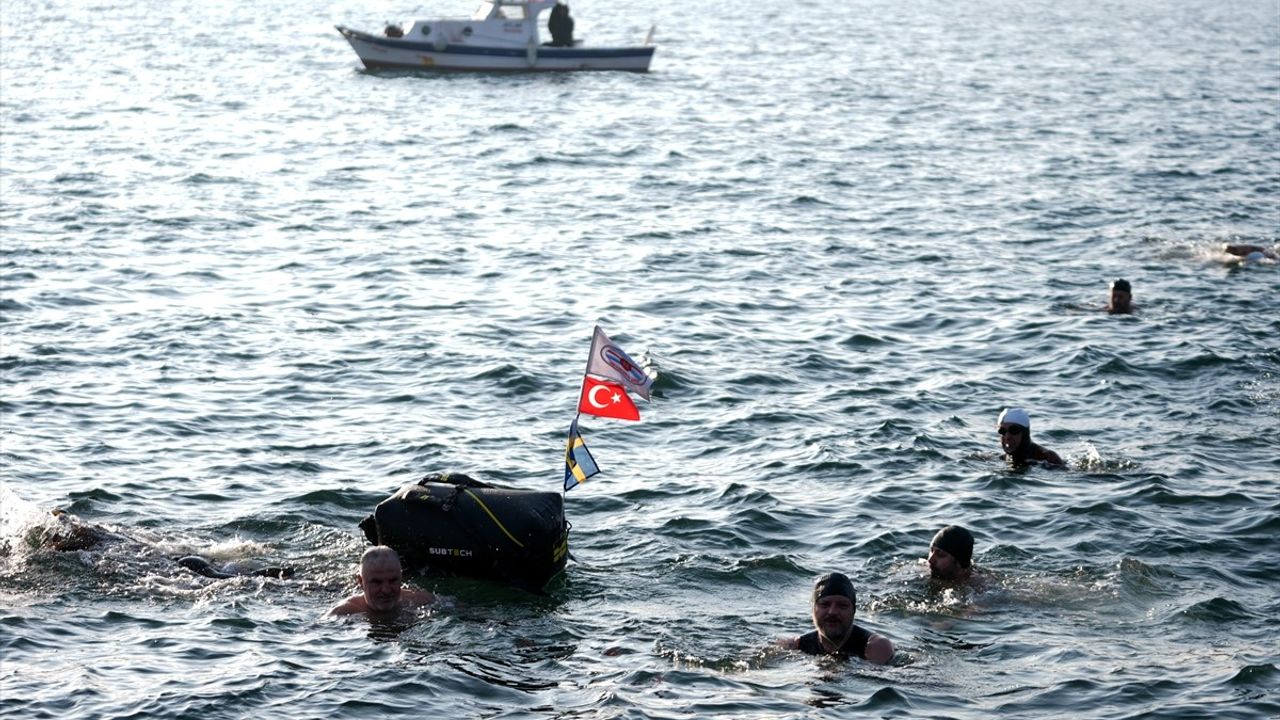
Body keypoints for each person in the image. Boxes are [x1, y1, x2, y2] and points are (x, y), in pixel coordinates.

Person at [778, 572, 894, 664]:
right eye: (825, 605)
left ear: (853, 611)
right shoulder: (796, 646)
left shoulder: (876, 646)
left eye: (842, 605)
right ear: (813, 610)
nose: (832, 612)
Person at [328, 545, 434, 617]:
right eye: (376, 582)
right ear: (361, 582)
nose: (386, 590)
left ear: (401, 577)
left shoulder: (420, 601)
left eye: (393, 580)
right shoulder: (344, 612)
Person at [997, 407, 1065, 467]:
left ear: (1025, 434)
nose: (1007, 437)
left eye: (1013, 430)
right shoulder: (1002, 458)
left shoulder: (1047, 458)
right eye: (1002, 431)